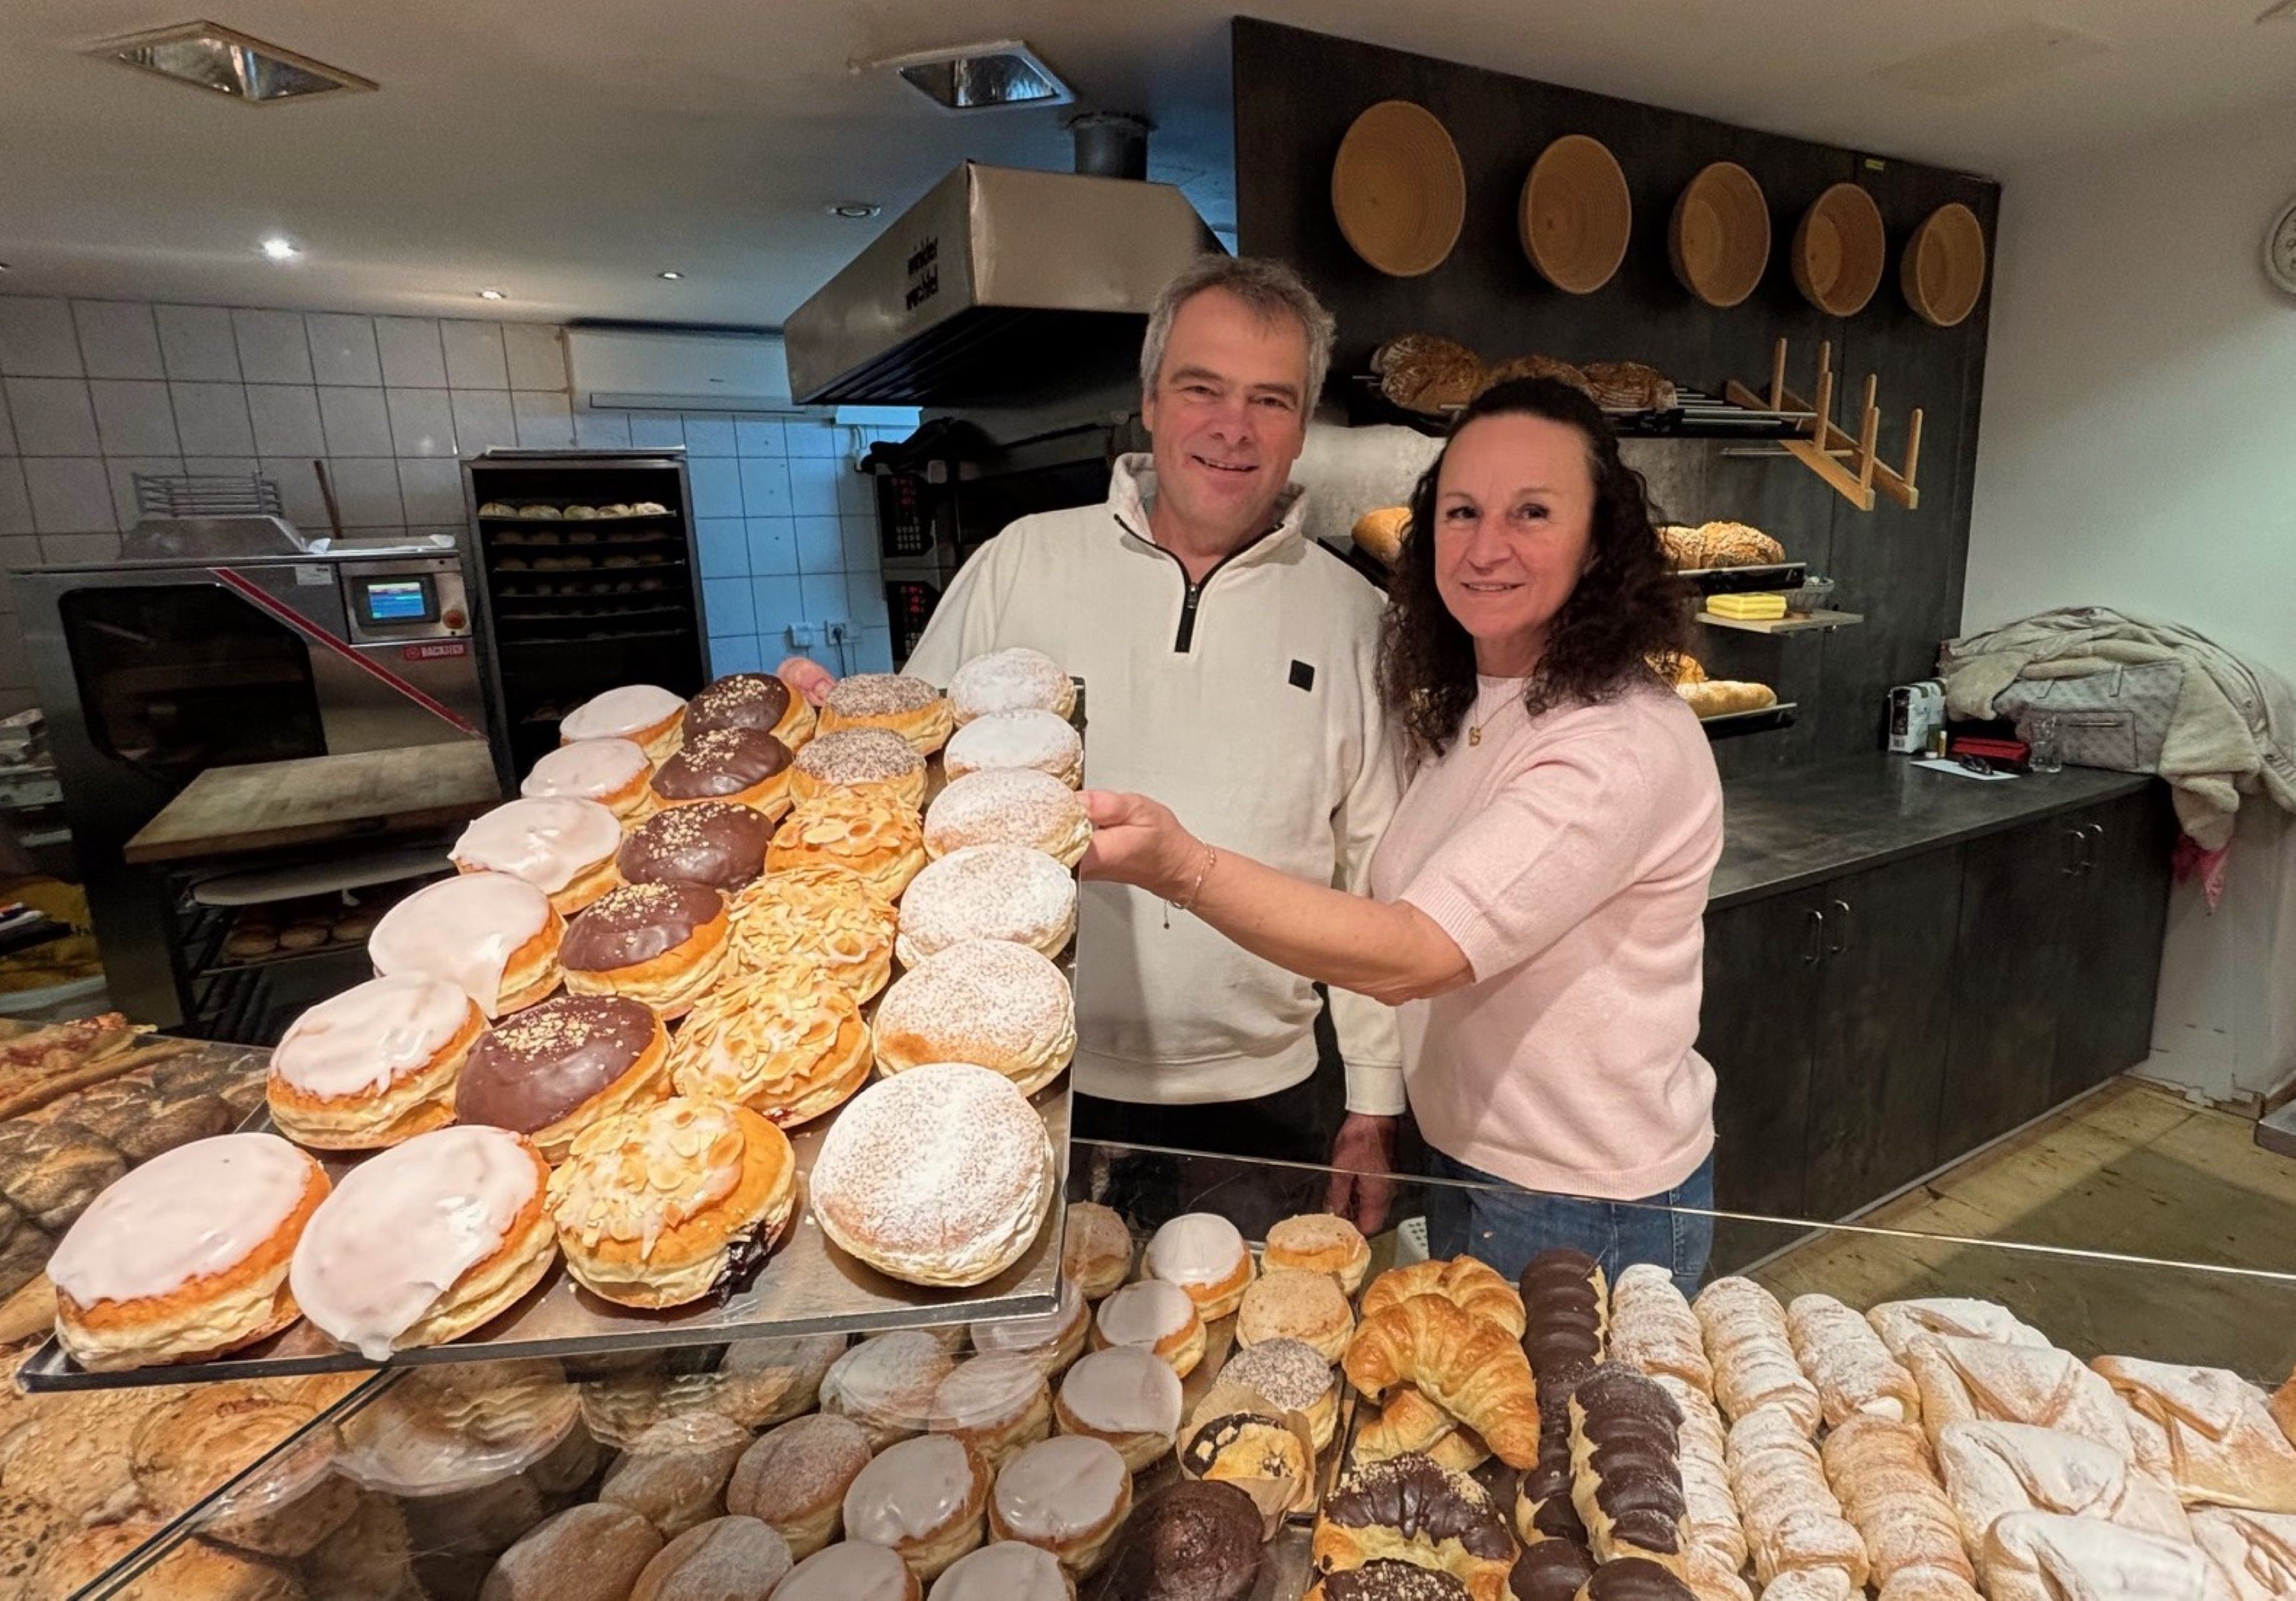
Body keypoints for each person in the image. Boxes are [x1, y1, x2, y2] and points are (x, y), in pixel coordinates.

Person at [1082, 376, 1724, 1291]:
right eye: (1461, 512)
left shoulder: (1614, 742)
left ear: (1597, 544)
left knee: (1562, 1437)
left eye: (1531, 513)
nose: (1485, 547)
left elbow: (1413, 950)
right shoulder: (1484, 704)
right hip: (1472, 1161)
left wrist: (1176, 864)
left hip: (1584, 1201)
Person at [781, 256, 1404, 1190]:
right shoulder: (1020, 561)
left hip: (1264, 1100)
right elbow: (912, 800)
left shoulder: (1355, 615)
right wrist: (828, 743)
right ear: (1150, 401)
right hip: (1020, 1077)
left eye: (1269, 400)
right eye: (1202, 388)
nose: (1233, 427)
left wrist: (1375, 1097)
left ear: (1302, 426)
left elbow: (1372, 867)